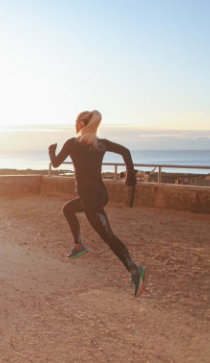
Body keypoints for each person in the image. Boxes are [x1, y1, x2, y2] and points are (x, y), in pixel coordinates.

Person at [48, 110, 148, 297]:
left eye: (75, 121)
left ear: (80, 125)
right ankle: (78, 246)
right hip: (99, 195)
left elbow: (55, 164)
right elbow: (125, 151)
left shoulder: (72, 143)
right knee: (68, 209)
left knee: (109, 237)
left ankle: (136, 271)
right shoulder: (100, 144)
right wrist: (130, 176)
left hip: (90, 198)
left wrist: (51, 151)